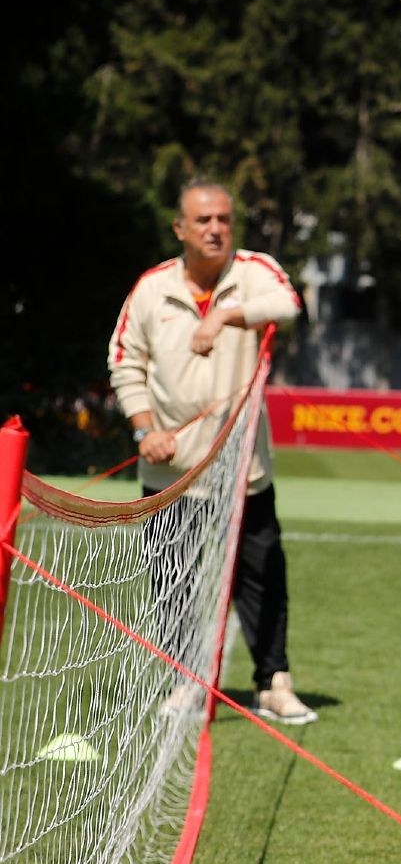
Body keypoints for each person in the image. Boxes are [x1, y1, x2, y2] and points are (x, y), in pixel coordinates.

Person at [108, 180, 314, 724]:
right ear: (180, 229)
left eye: (223, 218)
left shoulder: (253, 270)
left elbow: (288, 305)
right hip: (171, 470)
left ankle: (273, 682)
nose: (216, 228)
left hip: (244, 470)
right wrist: (144, 428)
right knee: (172, 583)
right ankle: (186, 684)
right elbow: (124, 361)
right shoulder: (151, 288)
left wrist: (223, 317)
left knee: (263, 573)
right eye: (203, 221)